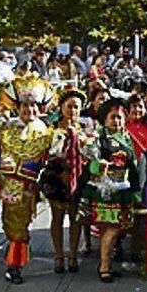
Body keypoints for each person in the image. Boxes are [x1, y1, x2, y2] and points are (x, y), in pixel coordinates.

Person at [0, 82, 54, 283]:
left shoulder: (46, 132)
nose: (29, 109)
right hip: (8, 184)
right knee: (14, 228)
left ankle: (15, 263)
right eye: (24, 106)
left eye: (33, 105)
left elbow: (53, 155)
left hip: (30, 186)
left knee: (20, 228)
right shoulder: (6, 128)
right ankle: (14, 262)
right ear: (17, 108)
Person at [82, 98, 140, 283]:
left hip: (123, 188)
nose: (117, 121)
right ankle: (104, 266)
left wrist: (136, 188)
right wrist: (98, 165)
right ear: (104, 119)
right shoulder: (98, 138)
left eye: (120, 117)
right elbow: (91, 163)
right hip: (106, 189)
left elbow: (132, 164)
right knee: (110, 228)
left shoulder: (126, 137)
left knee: (117, 228)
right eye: (113, 117)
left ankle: (107, 263)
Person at [43, 89, 93, 273]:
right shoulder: (52, 129)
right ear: (62, 107)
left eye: (76, 107)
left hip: (78, 177)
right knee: (57, 217)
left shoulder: (85, 129)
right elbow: (48, 154)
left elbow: (90, 153)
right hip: (56, 177)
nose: (72, 110)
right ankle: (58, 255)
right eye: (69, 106)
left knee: (76, 217)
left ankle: (72, 254)